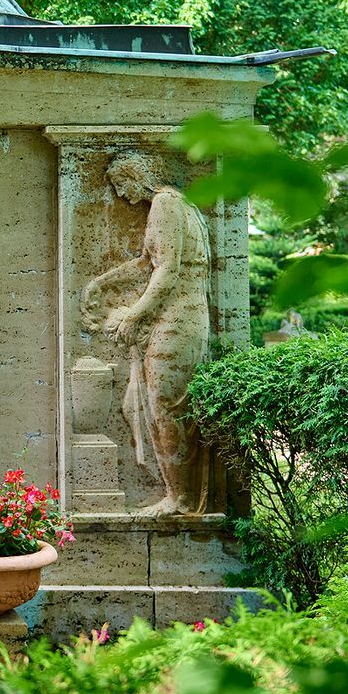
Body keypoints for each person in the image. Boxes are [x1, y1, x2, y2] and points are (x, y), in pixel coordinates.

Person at [79, 152, 215, 516]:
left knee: (165, 404)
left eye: (121, 184)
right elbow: (146, 263)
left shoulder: (166, 204)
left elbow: (167, 269)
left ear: (137, 175)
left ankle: (180, 498)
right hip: (173, 316)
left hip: (179, 318)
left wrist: (134, 315)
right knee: (146, 404)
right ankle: (174, 492)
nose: (122, 195)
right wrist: (102, 282)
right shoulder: (171, 205)